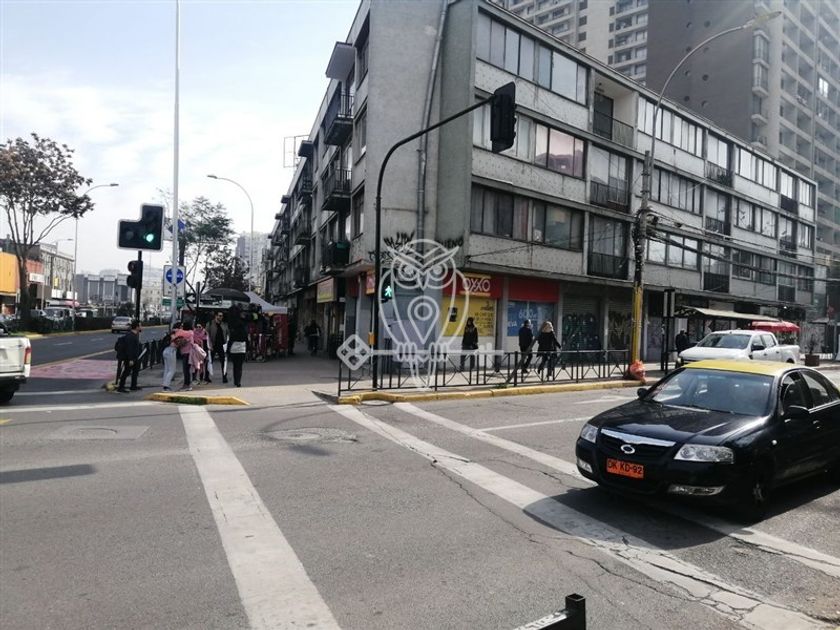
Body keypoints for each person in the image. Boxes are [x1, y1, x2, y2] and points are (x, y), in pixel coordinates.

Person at [117, 320, 142, 392]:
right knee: (126, 372)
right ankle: (121, 387)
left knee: (135, 372)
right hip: (129, 358)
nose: (141, 327)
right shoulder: (130, 336)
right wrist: (131, 359)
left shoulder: (135, 335)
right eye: (140, 326)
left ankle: (133, 386)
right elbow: (129, 348)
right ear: (137, 327)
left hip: (134, 357)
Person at [227, 308, 248, 387]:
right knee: (239, 366)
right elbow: (246, 339)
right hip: (242, 347)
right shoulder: (243, 327)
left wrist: (228, 349)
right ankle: (238, 381)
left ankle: (236, 380)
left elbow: (230, 339)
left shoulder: (232, 327)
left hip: (234, 347)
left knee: (235, 365)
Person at [206, 311, 229, 384]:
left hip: (222, 345)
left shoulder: (224, 324)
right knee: (210, 361)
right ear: (216, 316)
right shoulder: (210, 324)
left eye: (222, 316)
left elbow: (227, 333)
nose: (221, 317)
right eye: (219, 315)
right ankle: (206, 376)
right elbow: (207, 334)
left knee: (223, 361)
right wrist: (209, 344)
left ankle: (224, 376)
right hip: (213, 344)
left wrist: (226, 343)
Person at [161, 321, 182, 391]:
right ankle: (166, 385)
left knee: (167, 369)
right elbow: (176, 343)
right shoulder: (176, 333)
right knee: (172, 369)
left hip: (165, 350)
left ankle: (165, 384)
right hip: (171, 351)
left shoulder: (171, 332)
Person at [176, 321, 195, 391]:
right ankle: (187, 384)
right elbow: (192, 343)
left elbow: (177, 334)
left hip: (186, 353)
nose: (181, 327)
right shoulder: (191, 333)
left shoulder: (183, 333)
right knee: (187, 369)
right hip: (189, 353)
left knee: (185, 370)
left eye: (182, 326)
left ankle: (187, 385)